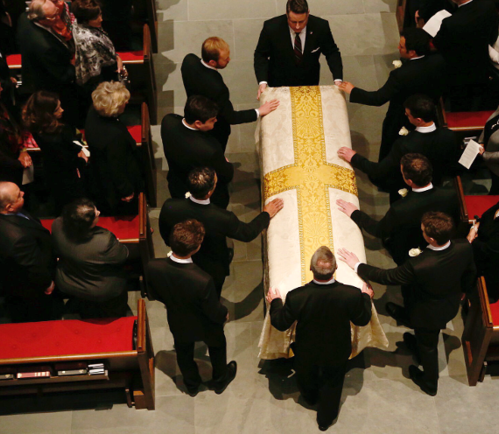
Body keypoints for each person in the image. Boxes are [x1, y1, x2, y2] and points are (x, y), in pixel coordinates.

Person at [338, 212, 476, 396]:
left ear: (432, 239)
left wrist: (357, 265)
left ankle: (429, 383)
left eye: (423, 231)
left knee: (429, 347)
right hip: (449, 303)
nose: (421, 233)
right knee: (423, 337)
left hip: (428, 314)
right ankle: (418, 342)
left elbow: (387, 277)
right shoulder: (463, 246)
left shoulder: (421, 264)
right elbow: (470, 271)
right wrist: (464, 291)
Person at [267, 246, 373, 430]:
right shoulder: (351, 294)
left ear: (310, 268)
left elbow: (280, 322)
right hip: (337, 349)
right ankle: (325, 419)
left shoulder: (296, 296)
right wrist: (366, 297)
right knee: (333, 383)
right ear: (335, 269)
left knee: (306, 375)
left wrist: (275, 301)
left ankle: (309, 397)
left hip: (307, 349)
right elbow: (362, 319)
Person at [158, 167, 283, 295]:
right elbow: (247, 233)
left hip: (181, 256)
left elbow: (165, 233)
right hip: (211, 264)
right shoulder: (222, 217)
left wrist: (180, 246)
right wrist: (266, 214)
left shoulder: (170, 206)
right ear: (209, 193)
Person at [147, 219, 237, 396]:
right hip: (206, 326)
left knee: (183, 351)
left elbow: (154, 293)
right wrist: (224, 314)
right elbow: (212, 310)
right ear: (196, 248)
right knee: (217, 347)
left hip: (178, 320)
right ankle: (219, 381)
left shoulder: (153, 266)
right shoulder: (202, 280)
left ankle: (191, 384)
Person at [337, 28, 446, 161]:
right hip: (427, 111)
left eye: (401, 46)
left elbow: (378, 98)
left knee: (391, 146)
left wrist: (353, 90)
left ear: (412, 52)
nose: (398, 47)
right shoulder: (439, 61)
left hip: (400, 117)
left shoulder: (400, 75)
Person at [336, 154, 460, 264]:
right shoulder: (450, 194)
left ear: (409, 181)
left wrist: (355, 213)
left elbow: (379, 230)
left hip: (408, 248)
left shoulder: (401, 208)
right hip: (441, 241)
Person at [337, 94, 458, 201]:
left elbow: (379, 171)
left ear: (419, 120)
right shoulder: (449, 135)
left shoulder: (405, 145)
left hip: (407, 188)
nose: (406, 115)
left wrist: (354, 157)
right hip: (435, 183)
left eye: (408, 115)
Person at [0, 182, 56, 322]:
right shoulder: (18, 239)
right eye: (18, 196)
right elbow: (33, 267)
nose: (23, 193)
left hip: (0, 268)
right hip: (25, 286)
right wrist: (47, 283)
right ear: (9, 207)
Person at [182, 37, 279, 151]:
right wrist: (259, 111)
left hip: (193, 109)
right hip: (215, 129)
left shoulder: (189, 60)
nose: (229, 59)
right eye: (225, 58)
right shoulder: (217, 88)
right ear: (212, 62)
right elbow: (231, 117)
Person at [52, 198, 130, 318]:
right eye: (94, 214)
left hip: (70, 282)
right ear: (87, 225)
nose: (98, 212)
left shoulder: (57, 225)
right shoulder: (104, 241)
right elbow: (123, 255)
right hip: (102, 290)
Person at [433, 0, 499, 111]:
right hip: (481, 64)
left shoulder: (451, 23)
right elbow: (493, 33)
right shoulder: (488, 6)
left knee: (459, 103)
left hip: (458, 70)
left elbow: (440, 44)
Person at [254, 0, 343, 93]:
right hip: (279, 83)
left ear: (308, 13)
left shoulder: (320, 27)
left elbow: (332, 53)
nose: (297, 26)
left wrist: (338, 80)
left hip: (309, 82)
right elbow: (261, 55)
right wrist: (263, 82)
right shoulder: (271, 28)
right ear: (287, 14)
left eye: (301, 21)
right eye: (293, 22)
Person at [161, 95, 234, 208]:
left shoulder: (168, 121)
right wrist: (226, 163)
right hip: (202, 192)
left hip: (177, 181)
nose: (216, 120)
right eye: (212, 120)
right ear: (198, 123)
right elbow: (226, 174)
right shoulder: (209, 149)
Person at [21, 91, 88, 212]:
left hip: (50, 169)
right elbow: (68, 160)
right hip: (67, 176)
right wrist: (82, 160)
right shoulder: (60, 133)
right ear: (47, 114)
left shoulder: (37, 126)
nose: (62, 110)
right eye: (57, 109)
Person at [16, 0, 80, 124]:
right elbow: (62, 76)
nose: (58, 17)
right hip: (50, 84)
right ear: (40, 19)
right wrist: (73, 65)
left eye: (57, 12)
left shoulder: (24, 17)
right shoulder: (45, 46)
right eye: (53, 16)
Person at [85, 81, 144, 215]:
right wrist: (127, 191)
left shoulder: (94, 111)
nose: (127, 103)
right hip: (116, 178)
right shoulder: (114, 137)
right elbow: (116, 167)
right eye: (123, 102)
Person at [71, 0, 123, 92]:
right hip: (103, 84)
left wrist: (117, 57)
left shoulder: (79, 22)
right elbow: (95, 74)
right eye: (96, 18)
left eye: (100, 14)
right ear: (85, 19)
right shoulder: (87, 41)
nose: (101, 19)